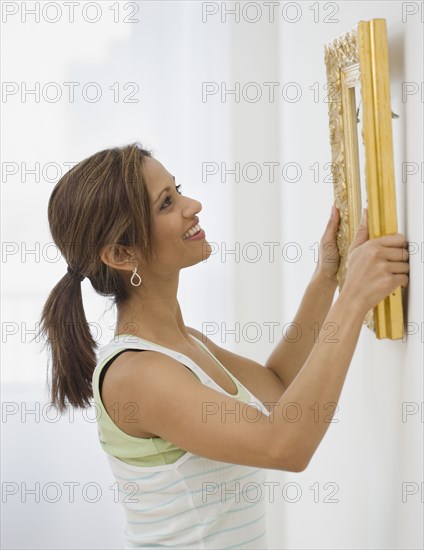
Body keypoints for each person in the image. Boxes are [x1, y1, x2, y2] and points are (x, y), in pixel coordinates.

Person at [38, 142, 410, 549]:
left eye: (177, 189)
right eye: (166, 203)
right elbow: (285, 446)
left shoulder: (183, 344)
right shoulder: (136, 374)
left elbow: (278, 386)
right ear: (122, 254)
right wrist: (353, 299)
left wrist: (327, 278)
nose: (192, 204)